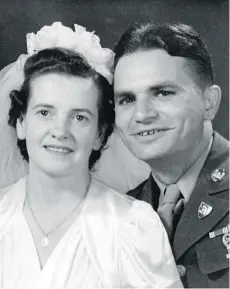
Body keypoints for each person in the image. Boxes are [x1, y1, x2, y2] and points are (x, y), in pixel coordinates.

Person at [0, 22, 182, 288]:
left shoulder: (134, 226)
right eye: (44, 112)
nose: (60, 131)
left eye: (79, 117)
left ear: (100, 134)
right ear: (21, 123)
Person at [113, 22, 229, 288]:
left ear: (208, 103)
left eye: (163, 93)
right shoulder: (122, 211)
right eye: (127, 99)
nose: (142, 115)